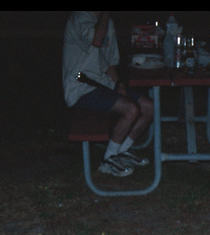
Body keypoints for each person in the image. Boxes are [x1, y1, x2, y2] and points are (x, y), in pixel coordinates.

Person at [62, 11, 154, 177]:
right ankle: (108, 160)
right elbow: (96, 40)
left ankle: (121, 151)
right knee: (131, 109)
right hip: (80, 87)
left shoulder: (107, 22)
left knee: (148, 107)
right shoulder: (79, 19)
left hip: (102, 83)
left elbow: (109, 62)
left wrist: (119, 84)